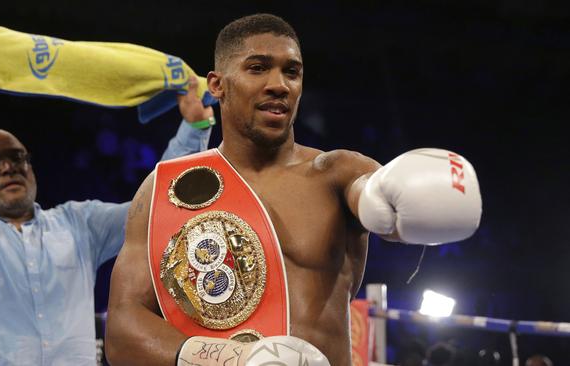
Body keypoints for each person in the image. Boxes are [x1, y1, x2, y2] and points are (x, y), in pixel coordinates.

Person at [105, 14, 482, 366]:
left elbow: (386, 208)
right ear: (217, 85)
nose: (279, 84)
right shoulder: (163, 189)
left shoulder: (337, 173)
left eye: (292, 72)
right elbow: (122, 332)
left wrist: (392, 198)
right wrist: (234, 359)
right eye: (257, 68)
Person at [0, 51, 214, 365]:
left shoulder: (78, 224)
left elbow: (155, 208)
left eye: (18, 158)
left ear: (31, 169)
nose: (8, 168)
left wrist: (195, 128)